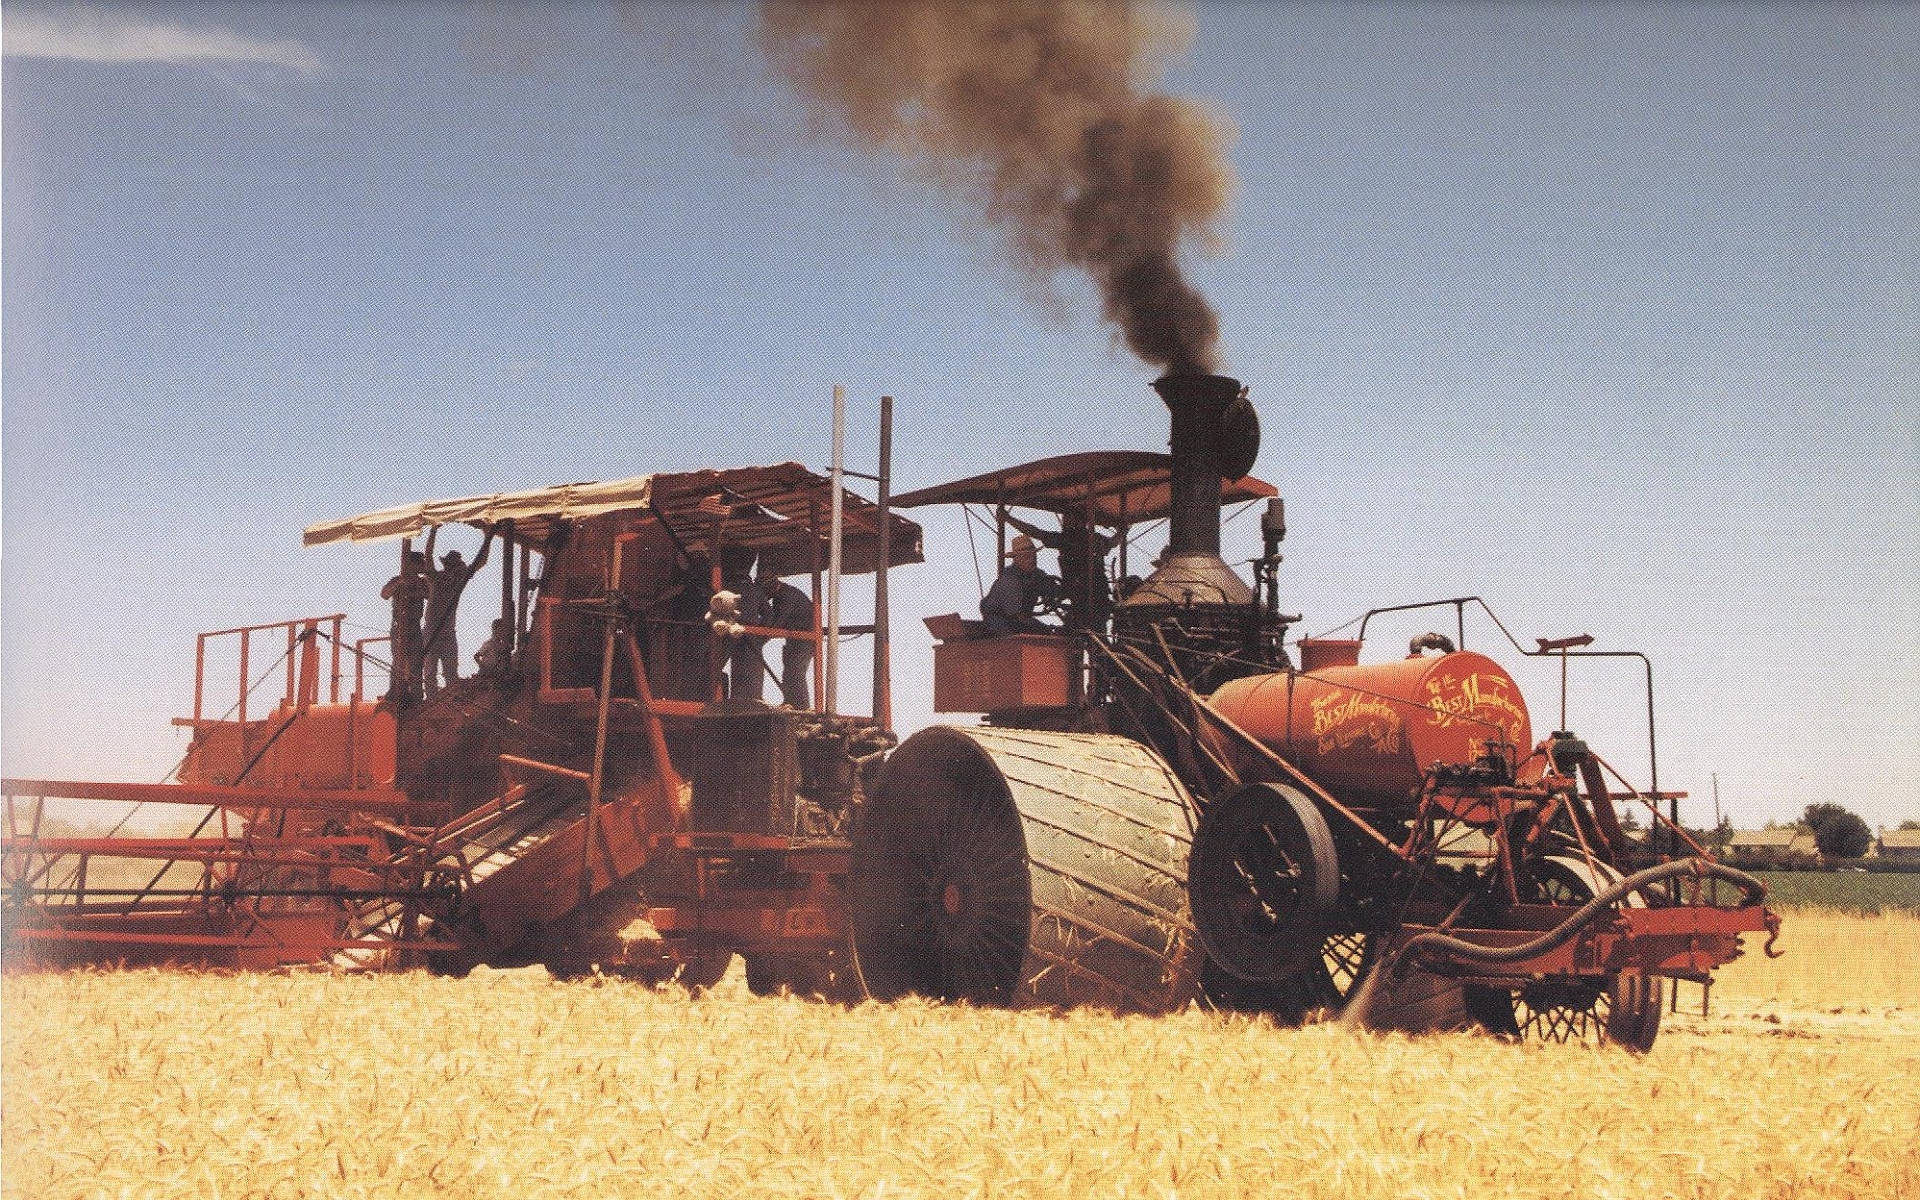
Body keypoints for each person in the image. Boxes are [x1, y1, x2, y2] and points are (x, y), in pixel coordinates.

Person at [1004, 510, 1118, 630]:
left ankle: (1021, 618)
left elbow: (1035, 532)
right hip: (1100, 597)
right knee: (1097, 635)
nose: (1064, 522)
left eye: (1067, 518)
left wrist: (1009, 519)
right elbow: (1113, 542)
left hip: (1081, 598)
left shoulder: (1067, 539)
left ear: (1077, 522)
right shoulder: (1096, 539)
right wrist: (1123, 531)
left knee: (1076, 633)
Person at [420, 526, 494, 697]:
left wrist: (487, 536)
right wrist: (433, 532)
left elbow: (481, 561)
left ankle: (450, 702)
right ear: (450, 566)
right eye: (458, 565)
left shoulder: (457, 581)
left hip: (446, 633)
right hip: (432, 632)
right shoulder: (436, 578)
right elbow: (428, 557)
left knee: (450, 673)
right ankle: (433, 702)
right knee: (431, 673)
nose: (461, 567)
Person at [759, 559, 816, 709]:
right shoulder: (781, 596)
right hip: (796, 638)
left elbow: (778, 622)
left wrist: (759, 639)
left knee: (795, 672)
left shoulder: (786, 596)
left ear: (771, 587)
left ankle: (802, 706)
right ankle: (791, 702)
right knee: (789, 671)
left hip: (804, 639)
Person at [980, 534, 1061, 636]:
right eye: (1027, 557)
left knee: (1046, 632)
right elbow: (1016, 616)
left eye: (1034, 556)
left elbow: (1051, 589)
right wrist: (1045, 629)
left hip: (1019, 621)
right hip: (999, 621)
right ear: (1016, 559)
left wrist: (1063, 592)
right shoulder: (1009, 580)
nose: (1032, 560)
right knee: (1014, 640)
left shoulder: (1037, 575)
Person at [380, 545, 430, 705]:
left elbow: (428, 594)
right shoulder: (397, 580)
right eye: (419, 563)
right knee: (398, 662)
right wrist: (401, 583)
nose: (422, 566)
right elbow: (384, 594)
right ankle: (395, 695)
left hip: (414, 626)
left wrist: (414, 586)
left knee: (416, 663)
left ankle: (416, 698)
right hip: (399, 626)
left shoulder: (422, 582)